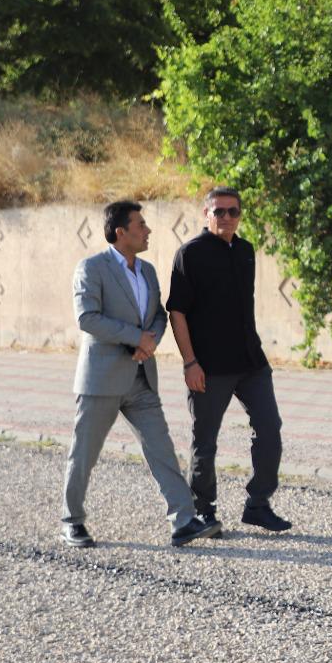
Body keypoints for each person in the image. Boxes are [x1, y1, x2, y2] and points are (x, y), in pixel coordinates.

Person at [62, 200, 219, 549]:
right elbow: (87, 317)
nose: (147, 230)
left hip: (141, 378)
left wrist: (149, 343)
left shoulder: (147, 271)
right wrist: (136, 338)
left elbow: (159, 317)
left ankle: (183, 521)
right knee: (84, 453)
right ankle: (71, 521)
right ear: (121, 232)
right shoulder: (91, 268)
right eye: (141, 225)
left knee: (162, 448)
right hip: (101, 380)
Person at [166, 187, 291, 535]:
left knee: (270, 430)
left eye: (232, 211)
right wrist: (190, 362)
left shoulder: (246, 250)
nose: (226, 218)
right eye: (218, 211)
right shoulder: (189, 254)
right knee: (204, 442)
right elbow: (177, 312)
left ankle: (258, 504)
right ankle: (204, 511)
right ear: (205, 214)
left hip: (251, 362)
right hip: (208, 366)